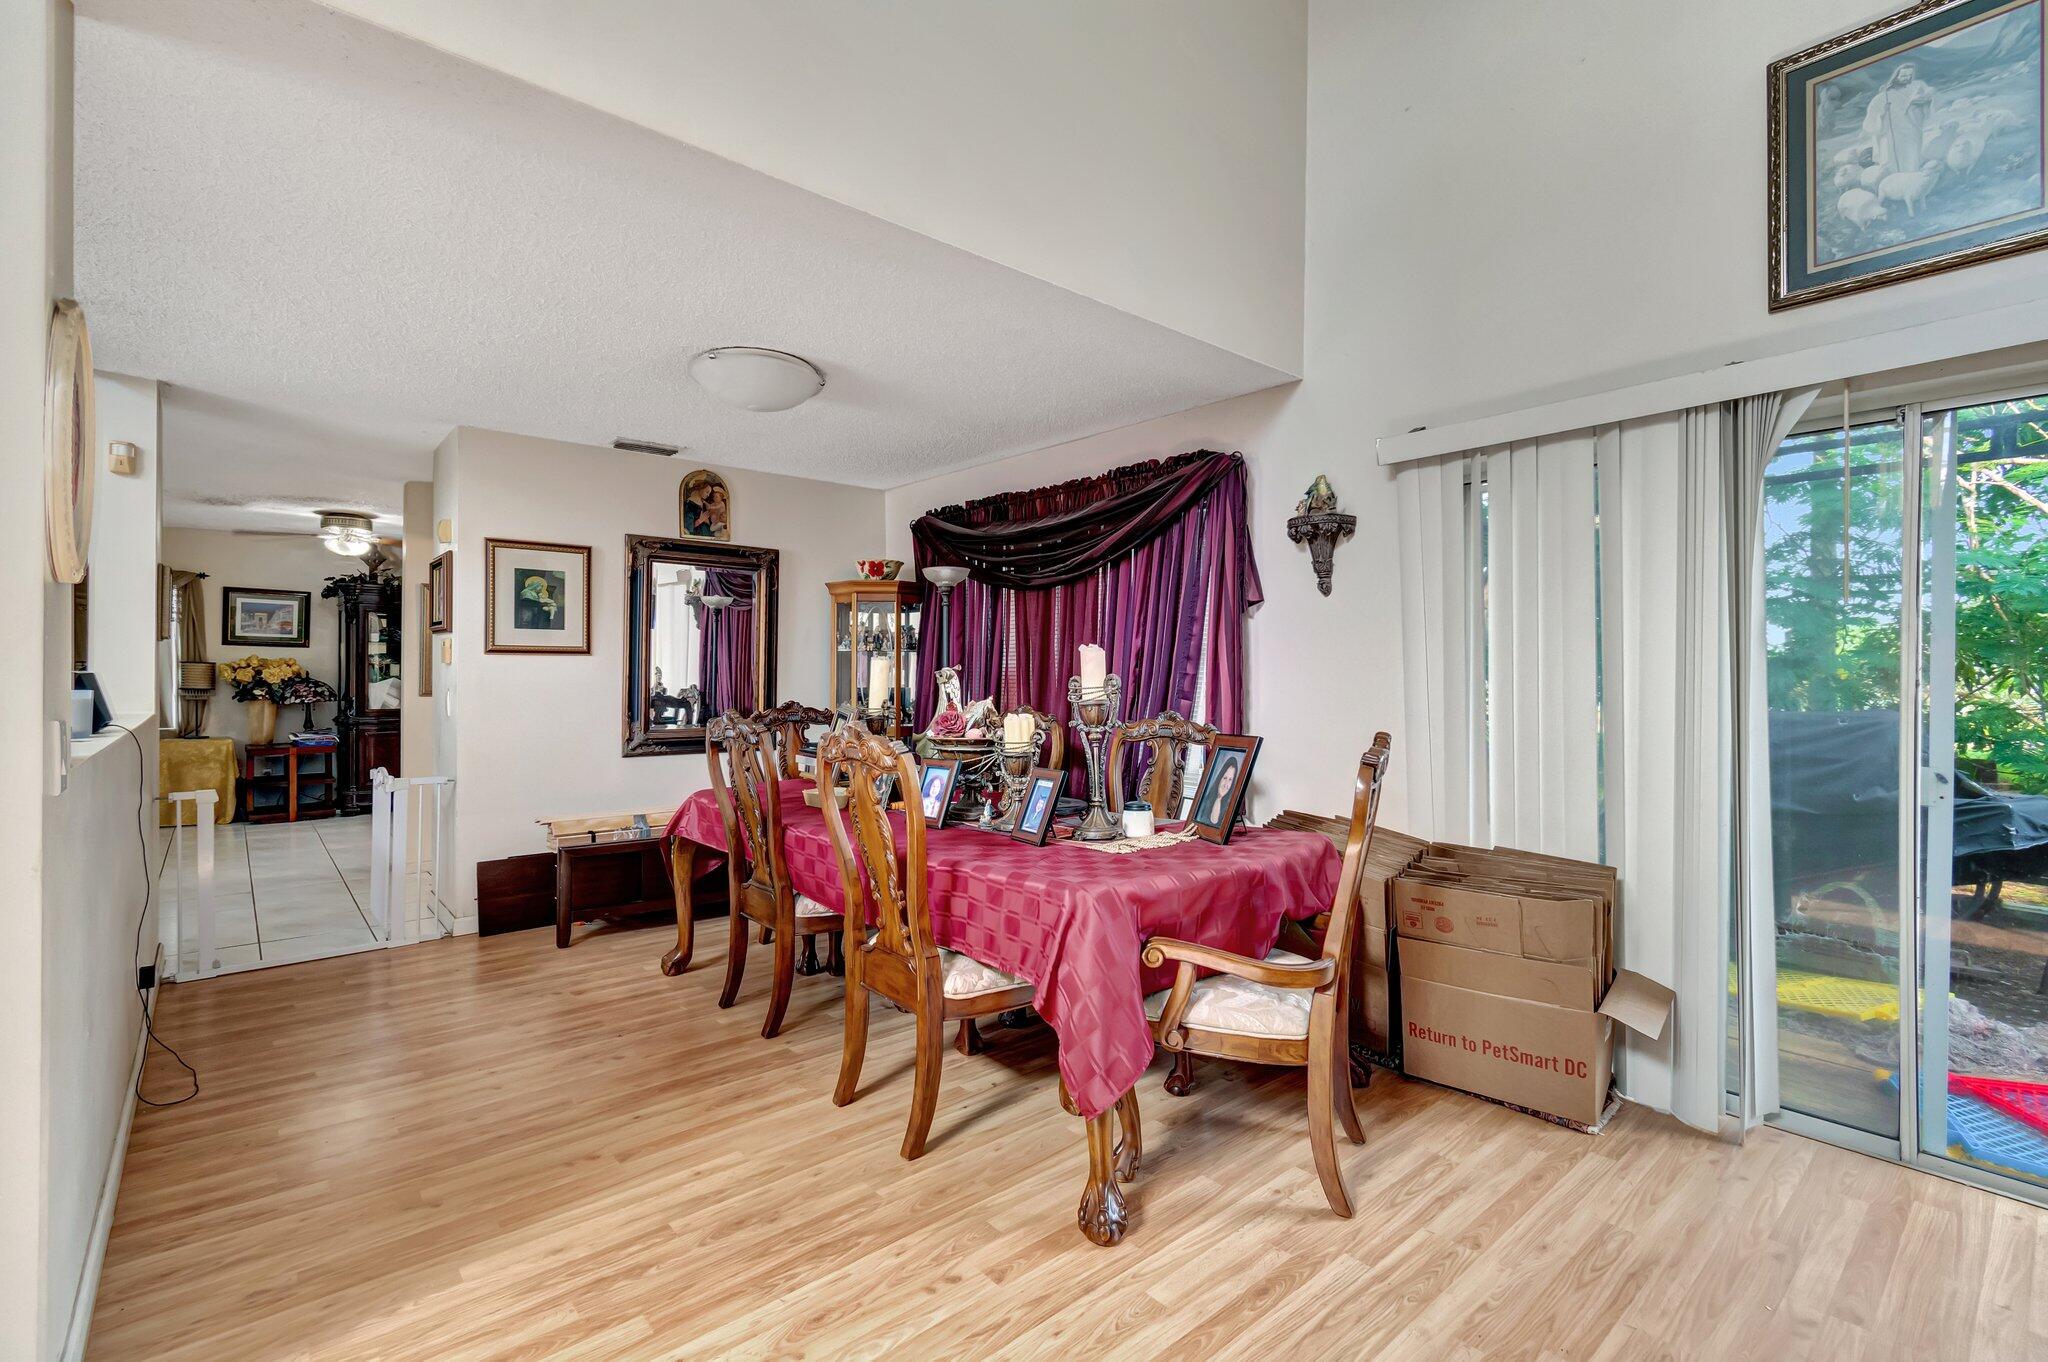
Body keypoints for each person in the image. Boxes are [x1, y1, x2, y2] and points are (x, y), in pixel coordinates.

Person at [1862, 61, 1935, 179]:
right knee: (1894, 159)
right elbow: (1870, 122)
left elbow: (1926, 106)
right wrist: (1882, 115)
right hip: (1893, 134)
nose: (1907, 78)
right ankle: (1894, 184)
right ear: (1896, 76)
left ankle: (1911, 182)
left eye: (1909, 76)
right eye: (1903, 76)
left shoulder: (1916, 88)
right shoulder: (1883, 96)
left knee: (1912, 157)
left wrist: (1924, 102)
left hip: (1912, 131)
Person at [1195, 754, 1241, 827]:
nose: (1226, 784)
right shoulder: (1206, 798)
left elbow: (1215, 821)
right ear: (1220, 778)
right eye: (1225, 778)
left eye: (1230, 780)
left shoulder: (1231, 804)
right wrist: (1219, 797)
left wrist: (1219, 798)